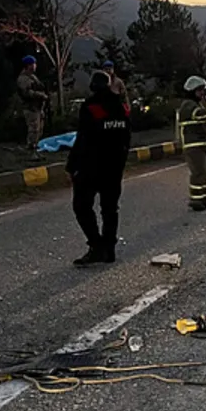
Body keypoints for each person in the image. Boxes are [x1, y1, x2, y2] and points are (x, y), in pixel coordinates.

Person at [67, 71, 131, 266]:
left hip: (91, 168)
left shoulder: (91, 107)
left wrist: (72, 166)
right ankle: (109, 249)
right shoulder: (122, 108)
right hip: (114, 168)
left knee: (82, 206)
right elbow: (126, 139)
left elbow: (83, 139)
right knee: (110, 208)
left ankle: (96, 246)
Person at [177, 75, 206, 211]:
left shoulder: (197, 103)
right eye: (199, 90)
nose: (202, 93)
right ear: (192, 91)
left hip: (201, 144)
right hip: (193, 146)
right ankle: (195, 201)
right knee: (198, 172)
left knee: (204, 173)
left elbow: (203, 124)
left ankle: (201, 198)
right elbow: (199, 115)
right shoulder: (188, 105)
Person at [17, 56, 49, 154]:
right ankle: (31, 148)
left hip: (38, 107)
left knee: (39, 129)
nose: (35, 66)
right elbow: (26, 93)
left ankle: (35, 146)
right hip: (30, 107)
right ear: (28, 65)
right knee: (33, 129)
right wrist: (40, 95)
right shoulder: (23, 79)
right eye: (33, 64)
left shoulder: (33, 77)